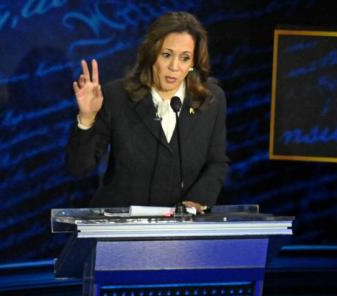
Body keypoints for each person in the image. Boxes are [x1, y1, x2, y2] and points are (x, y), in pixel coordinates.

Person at [66, 11, 228, 212]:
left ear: (193, 63)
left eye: (185, 58)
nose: (174, 67)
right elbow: (79, 168)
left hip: (180, 229)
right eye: (166, 55)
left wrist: (195, 202)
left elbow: (217, 163)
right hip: (121, 226)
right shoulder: (117, 96)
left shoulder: (210, 99)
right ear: (151, 53)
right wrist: (87, 118)